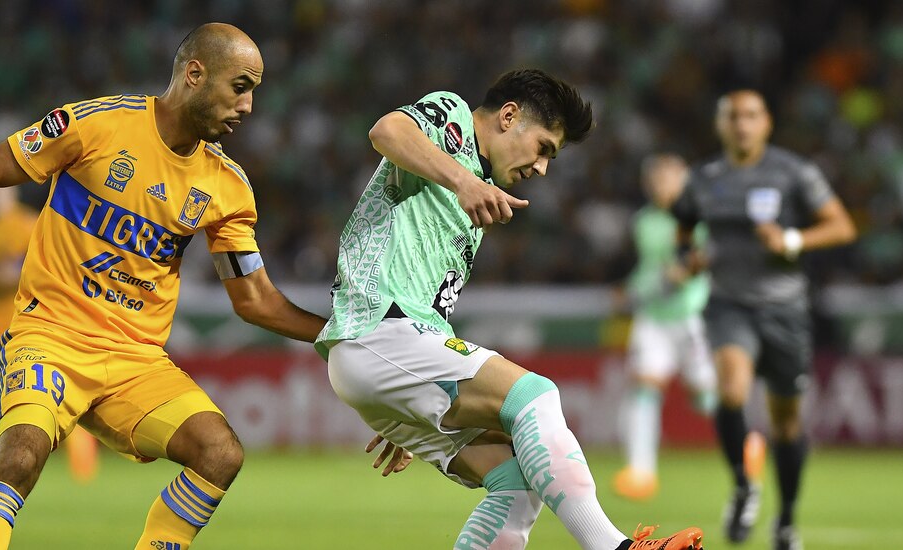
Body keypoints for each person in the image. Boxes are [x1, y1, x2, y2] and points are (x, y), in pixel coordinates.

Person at [0, 23, 329, 550]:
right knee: (20, 456)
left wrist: (339, 334)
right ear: (194, 74)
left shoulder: (226, 187)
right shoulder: (96, 125)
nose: (249, 106)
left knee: (219, 453)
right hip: (51, 336)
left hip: (135, 360)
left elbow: (254, 300)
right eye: (241, 86)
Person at [316, 69, 704, 550]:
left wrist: (414, 394)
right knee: (535, 397)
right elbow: (386, 131)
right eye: (544, 147)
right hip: (377, 333)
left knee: (519, 482)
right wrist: (462, 181)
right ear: (508, 116)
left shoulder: (477, 189)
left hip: (397, 351)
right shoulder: (453, 118)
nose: (542, 168)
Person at [671, 90, 856, 550]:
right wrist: (688, 257)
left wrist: (792, 240)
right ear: (721, 125)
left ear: (766, 123)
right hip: (728, 304)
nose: (741, 125)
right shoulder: (704, 178)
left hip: (785, 309)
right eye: (732, 116)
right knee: (731, 391)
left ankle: (787, 520)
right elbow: (683, 227)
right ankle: (743, 484)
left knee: (787, 424)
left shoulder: (794, 173)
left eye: (751, 116)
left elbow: (842, 225)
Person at [0, 187, 100, 483]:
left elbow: (46, 266)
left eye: (2, 193)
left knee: (53, 396)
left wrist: (11, 275)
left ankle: (84, 469)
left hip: (29, 322)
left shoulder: (29, 225)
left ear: (13, 195)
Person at [611, 154, 722, 501]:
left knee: (705, 397)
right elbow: (649, 268)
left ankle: (744, 441)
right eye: (655, 180)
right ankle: (641, 472)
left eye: (668, 179)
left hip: (691, 316)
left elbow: (707, 255)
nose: (660, 186)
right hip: (653, 318)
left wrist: (689, 267)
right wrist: (629, 289)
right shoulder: (643, 221)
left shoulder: (698, 216)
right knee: (644, 387)